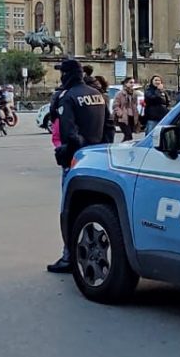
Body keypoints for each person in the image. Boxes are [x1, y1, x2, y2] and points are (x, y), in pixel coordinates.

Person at [46, 59, 109, 274]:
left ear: (67, 75)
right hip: (97, 158)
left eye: (61, 73)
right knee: (91, 210)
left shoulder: (68, 98)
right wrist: (100, 147)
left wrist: (69, 153)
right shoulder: (97, 94)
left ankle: (68, 256)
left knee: (70, 210)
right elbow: (109, 125)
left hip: (77, 161)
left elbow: (69, 133)